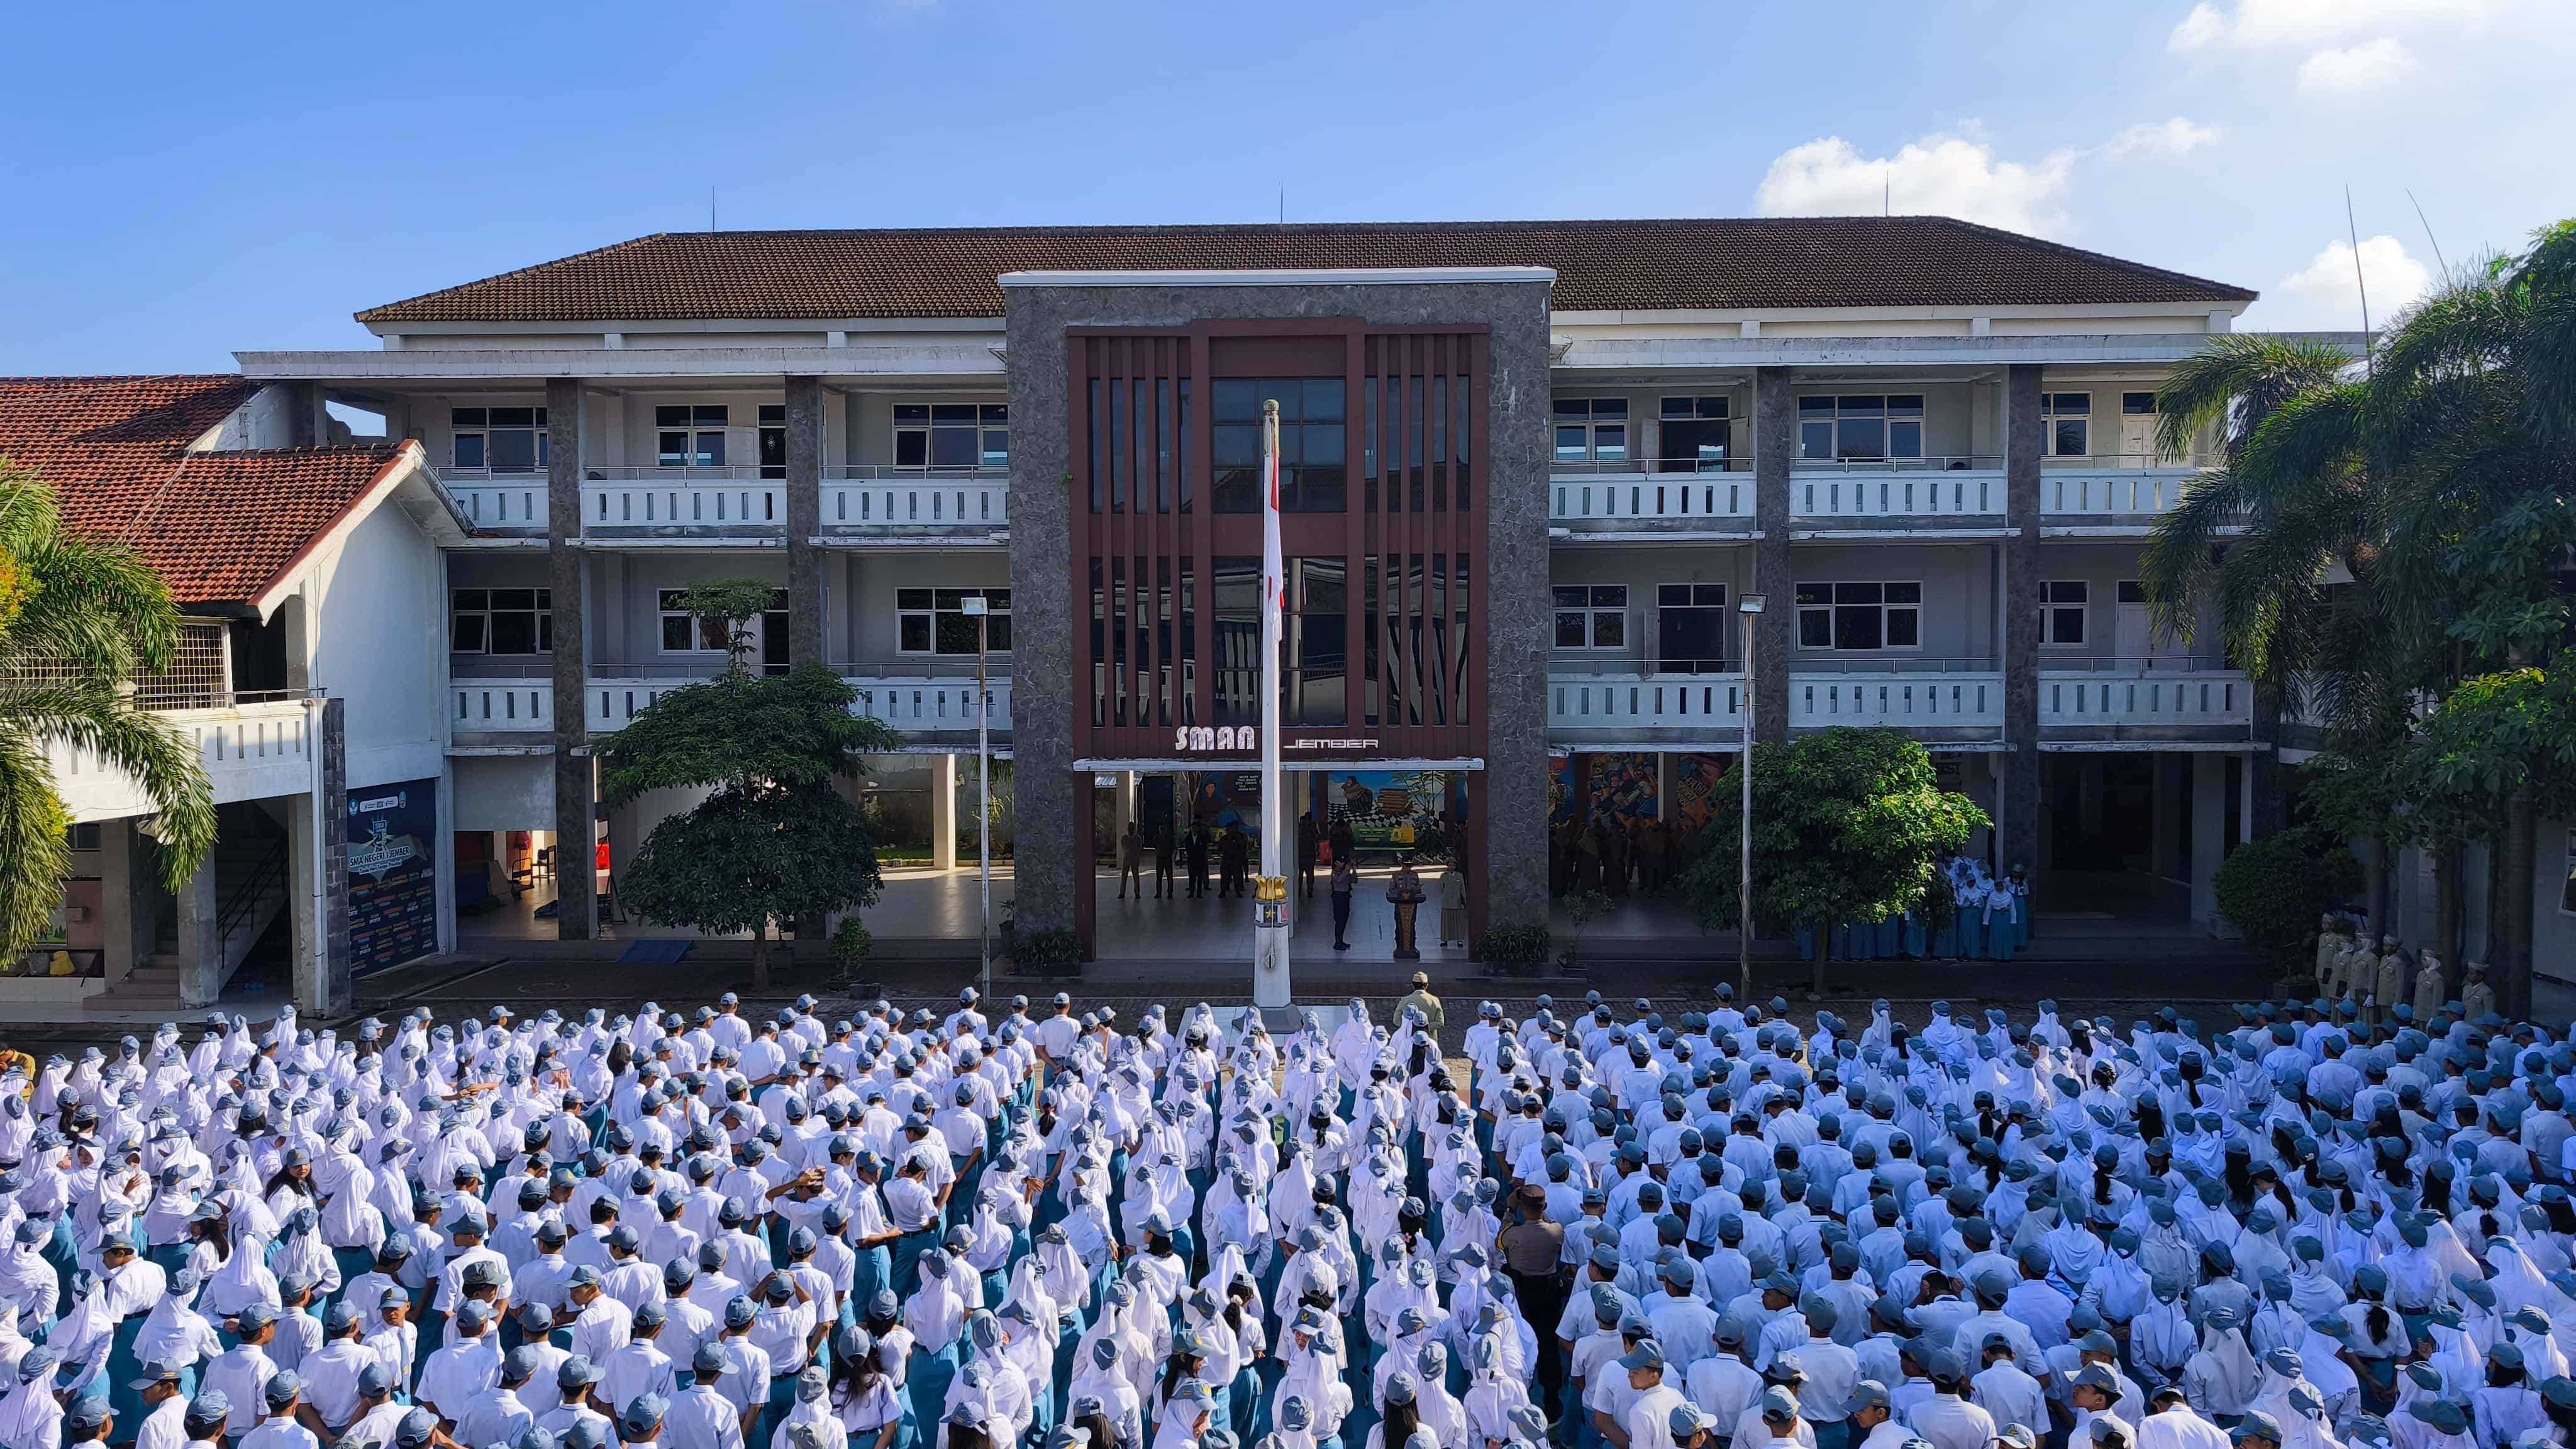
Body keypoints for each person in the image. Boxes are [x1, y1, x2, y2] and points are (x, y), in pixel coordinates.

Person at [1437, 860, 1467, 948]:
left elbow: (1462, 889)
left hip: (1457, 903)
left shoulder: (1460, 876)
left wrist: (1464, 901)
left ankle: (1459, 940)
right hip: (1447, 903)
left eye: (1453, 865)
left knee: (1458, 923)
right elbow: (1442, 888)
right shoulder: (1444, 876)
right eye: (1450, 865)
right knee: (1446, 923)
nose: (1451, 867)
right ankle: (1445, 940)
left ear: (1455, 866)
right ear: (1447, 866)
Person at [1330, 855, 1357, 952]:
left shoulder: (1346, 873)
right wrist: (1346, 871)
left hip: (1346, 896)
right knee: (1339, 920)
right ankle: (1337, 942)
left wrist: (1354, 871)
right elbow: (1338, 880)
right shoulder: (1335, 872)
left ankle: (1341, 940)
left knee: (1345, 919)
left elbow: (1354, 880)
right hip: (1338, 897)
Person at [1116, 822, 1142, 901]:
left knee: (1136, 877)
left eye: (1132, 828)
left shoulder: (1138, 839)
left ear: (1134, 829)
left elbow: (1139, 849)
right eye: (1130, 828)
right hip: (1127, 859)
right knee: (1124, 877)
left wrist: (1136, 856)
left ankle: (1137, 893)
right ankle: (1122, 893)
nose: (1131, 829)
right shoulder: (1124, 838)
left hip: (1134, 859)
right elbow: (1124, 848)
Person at [1297, 811, 1320, 901]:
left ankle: (1300, 891)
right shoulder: (1311, 830)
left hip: (1302, 857)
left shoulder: (1298, 830)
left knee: (1302, 876)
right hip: (1308, 856)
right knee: (1309, 876)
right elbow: (1317, 836)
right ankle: (1309, 892)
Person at [1152, 821, 1175, 901]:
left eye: (1164, 829)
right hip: (1160, 859)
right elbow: (1154, 846)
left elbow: (1173, 847)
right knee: (1159, 877)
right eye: (1161, 829)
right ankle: (1159, 893)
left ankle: (1170, 893)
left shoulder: (1170, 838)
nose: (1162, 830)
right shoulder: (1157, 838)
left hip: (1168, 859)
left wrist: (1170, 854)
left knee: (1169, 877)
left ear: (1167, 830)